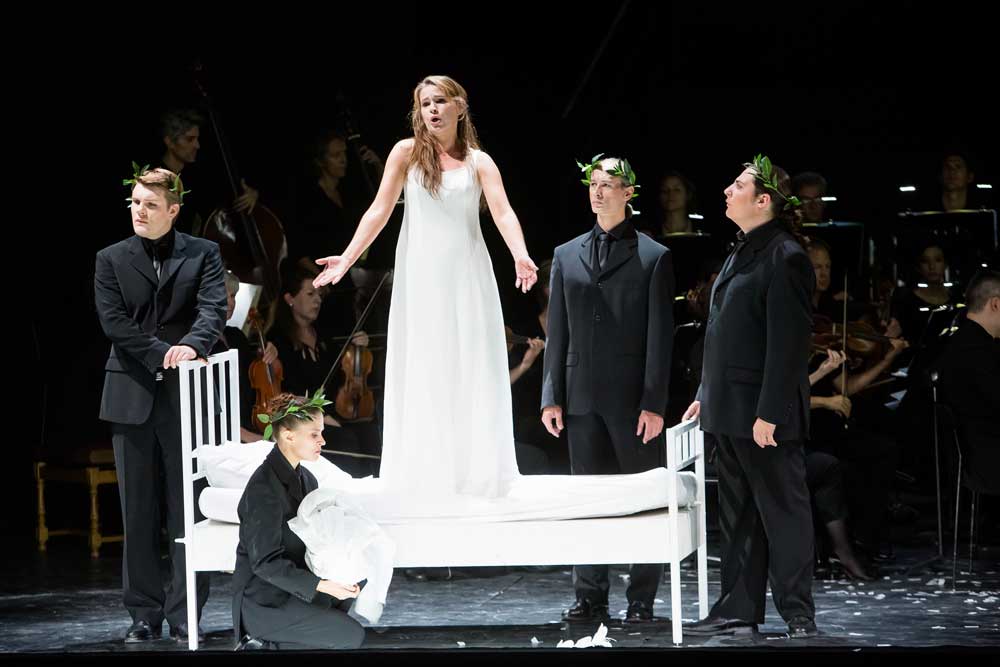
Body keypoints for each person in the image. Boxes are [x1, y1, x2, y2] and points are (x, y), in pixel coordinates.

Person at [311, 75, 538, 499]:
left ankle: (474, 476)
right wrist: (347, 257)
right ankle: (426, 475)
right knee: (426, 368)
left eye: (439, 101)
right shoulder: (406, 153)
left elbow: (503, 212)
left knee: (469, 368)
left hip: (467, 279)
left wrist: (520, 254)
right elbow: (379, 211)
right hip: (421, 280)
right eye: (425, 103)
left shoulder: (479, 162)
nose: (432, 110)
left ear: (459, 107)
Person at [682, 155, 818, 638]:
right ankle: (738, 607)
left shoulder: (786, 257)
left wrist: (769, 413)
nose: (727, 190)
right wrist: (706, 392)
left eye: (738, 185)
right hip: (729, 408)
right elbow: (724, 333)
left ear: (763, 201)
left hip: (763, 415)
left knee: (783, 513)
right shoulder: (741, 250)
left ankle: (798, 613)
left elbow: (788, 346)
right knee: (738, 516)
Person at [95, 167, 227, 643]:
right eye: (135, 203)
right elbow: (114, 321)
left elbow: (214, 308)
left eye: (150, 205)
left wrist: (190, 346)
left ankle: (186, 611)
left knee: (187, 509)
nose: (139, 211)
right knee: (137, 510)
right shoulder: (110, 258)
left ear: (173, 210)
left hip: (188, 394)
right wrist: (161, 353)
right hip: (130, 392)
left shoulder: (203, 252)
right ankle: (143, 614)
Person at [541, 155, 675, 623]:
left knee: (643, 501)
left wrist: (654, 402)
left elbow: (660, 337)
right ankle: (590, 595)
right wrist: (551, 395)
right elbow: (557, 331)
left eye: (608, 185)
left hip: (632, 400)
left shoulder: (653, 256)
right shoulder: (566, 254)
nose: (598, 192)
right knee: (588, 500)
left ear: (628, 193)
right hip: (579, 397)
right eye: (593, 184)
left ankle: (641, 599)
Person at [232, 393, 366, 651]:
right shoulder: (263, 490)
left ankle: (303, 628)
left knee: (356, 577)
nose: (322, 441)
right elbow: (265, 564)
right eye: (314, 434)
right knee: (351, 635)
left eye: (321, 433)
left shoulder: (307, 479)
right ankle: (261, 643)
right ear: (288, 435)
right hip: (265, 602)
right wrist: (322, 585)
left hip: (291, 588)